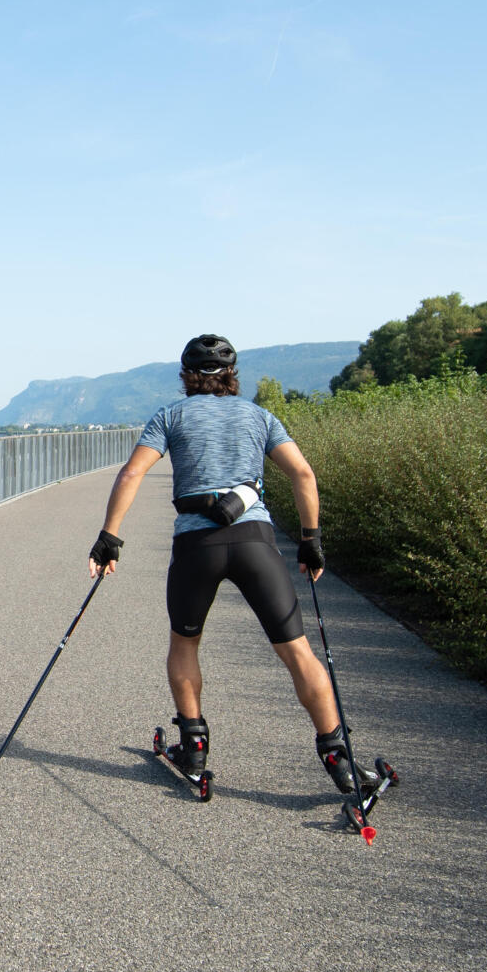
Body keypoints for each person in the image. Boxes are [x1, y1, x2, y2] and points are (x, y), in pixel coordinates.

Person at [85, 334, 371, 794]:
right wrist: (310, 541)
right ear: (232, 375)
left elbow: (132, 472)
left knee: (184, 644)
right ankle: (339, 758)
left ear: (186, 375)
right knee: (297, 651)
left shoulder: (170, 415)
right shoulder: (261, 417)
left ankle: (193, 748)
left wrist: (109, 538)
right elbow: (302, 473)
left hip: (197, 545)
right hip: (255, 539)